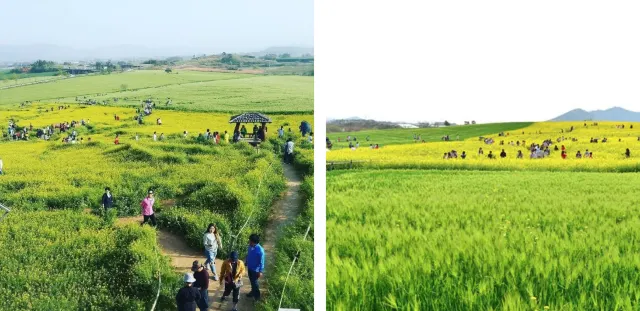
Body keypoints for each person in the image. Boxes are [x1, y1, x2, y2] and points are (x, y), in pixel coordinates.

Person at [246, 234, 265, 301]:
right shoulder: (250, 246)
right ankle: (252, 292)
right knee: (252, 281)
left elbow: (262, 262)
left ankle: (257, 296)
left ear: (254, 242)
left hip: (255, 270)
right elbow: (248, 254)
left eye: (250, 241)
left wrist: (260, 271)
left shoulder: (260, 250)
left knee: (255, 283)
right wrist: (246, 261)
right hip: (250, 268)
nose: (249, 242)